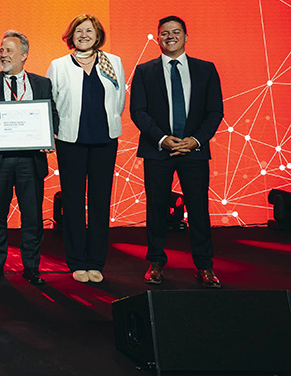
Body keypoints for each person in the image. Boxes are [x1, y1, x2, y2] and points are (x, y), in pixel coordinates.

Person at [130, 16, 224, 288]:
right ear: (157, 38)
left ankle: (205, 266)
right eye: (164, 33)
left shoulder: (206, 69)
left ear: (186, 36)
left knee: (199, 209)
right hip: (158, 150)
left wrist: (195, 140)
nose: (170, 36)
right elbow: (139, 111)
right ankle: (156, 262)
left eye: (176, 32)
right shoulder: (145, 71)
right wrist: (162, 139)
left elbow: (215, 111)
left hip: (194, 151)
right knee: (156, 208)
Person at [46, 15, 125, 284]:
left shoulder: (112, 62)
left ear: (98, 34)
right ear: (71, 35)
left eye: (89, 30)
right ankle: (77, 261)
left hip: (105, 140)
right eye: (78, 31)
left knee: (101, 202)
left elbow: (120, 103)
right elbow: (51, 104)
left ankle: (96, 261)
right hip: (71, 141)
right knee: (74, 202)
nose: (83, 35)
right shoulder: (58, 66)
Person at [0, 31, 57, 285]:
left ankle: (31, 267)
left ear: (24, 55)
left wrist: (49, 134)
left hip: (30, 161)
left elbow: (51, 113)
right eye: (1, 50)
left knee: (32, 217)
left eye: (9, 50)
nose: (3, 54)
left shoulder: (42, 83)